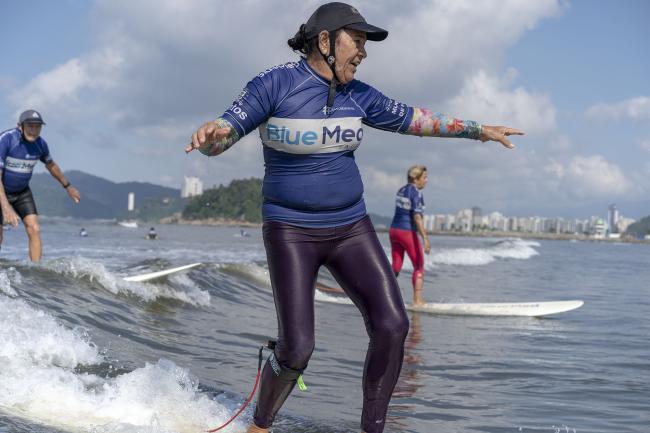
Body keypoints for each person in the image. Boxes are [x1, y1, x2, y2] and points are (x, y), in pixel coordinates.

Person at [186, 3, 523, 432]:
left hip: (351, 228)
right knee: (298, 348)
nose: (363, 52)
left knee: (393, 325)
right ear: (325, 41)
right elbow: (225, 132)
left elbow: (416, 119)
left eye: (365, 44)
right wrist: (211, 136)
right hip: (291, 230)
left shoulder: (359, 95)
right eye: (357, 41)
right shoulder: (276, 84)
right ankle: (260, 424)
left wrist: (479, 129)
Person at [0, 110, 80, 261]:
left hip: (21, 192)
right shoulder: (6, 140)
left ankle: (36, 274)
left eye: (38, 127)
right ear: (20, 126)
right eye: (30, 126)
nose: (34, 130)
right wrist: (5, 207)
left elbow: (51, 165)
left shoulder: (40, 144)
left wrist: (68, 186)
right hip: (1, 191)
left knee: (34, 229)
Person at [390, 165, 430, 306]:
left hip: (394, 231)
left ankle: (383, 295)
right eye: (424, 177)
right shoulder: (416, 193)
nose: (426, 180)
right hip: (407, 232)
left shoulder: (401, 190)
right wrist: (425, 238)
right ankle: (417, 301)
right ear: (415, 178)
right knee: (419, 265)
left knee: (396, 265)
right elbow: (417, 217)